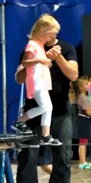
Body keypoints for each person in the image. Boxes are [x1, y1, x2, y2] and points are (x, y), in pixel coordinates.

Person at [14, 15, 80, 183]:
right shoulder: (32, 46)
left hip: (60, 111)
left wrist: (57, 58)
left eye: (56, 33)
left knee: (63, 155)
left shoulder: (67, 48)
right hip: (35, 110)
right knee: (27, 157)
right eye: (51, 32)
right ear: (43, 31)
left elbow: (73, 75)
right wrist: (32, 63)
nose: (54, 35)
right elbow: (18, 77)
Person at [14, 16, 64, 147]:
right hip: (36, 81)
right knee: (46, 107)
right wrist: (41, 60)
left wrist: (47, 58)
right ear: (42, 31)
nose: (51, 39)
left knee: (48, 107)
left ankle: (46, 135)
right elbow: (25, 62)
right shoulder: (32, 44)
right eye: (49, 36)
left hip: (41, 81)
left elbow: (39, 61)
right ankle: (20, 121)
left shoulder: (40, 46)